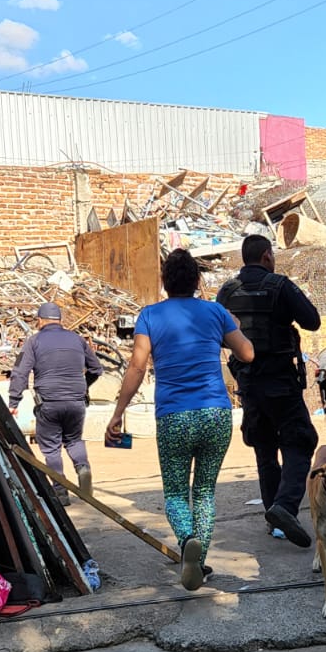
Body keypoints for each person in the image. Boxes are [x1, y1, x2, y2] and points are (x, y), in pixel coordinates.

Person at [105, 248, 253, 591]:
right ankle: (197, 565)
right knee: (204, 493)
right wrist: (231, 323)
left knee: (175, 493)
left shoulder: (150, 315)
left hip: (174, 417)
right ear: (197, 281)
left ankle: (187, 540)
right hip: (215, 414)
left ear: (164, 282)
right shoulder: (215, 312)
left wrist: (118, 412)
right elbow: (246, 352)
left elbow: (137, 366)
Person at [215, 227, 321, 549]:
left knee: (264, 448)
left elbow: (219, 332)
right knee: (300, 441)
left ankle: (274, 519)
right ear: (266, 257)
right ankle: (285, 508)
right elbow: (313, 321)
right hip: (280, 384)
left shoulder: (227, 291)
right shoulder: (280, 286)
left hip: (247, 384)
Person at [8, 301, 103, 502]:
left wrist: (13, 401)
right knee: (74, 440)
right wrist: (84, 385)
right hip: (76, 402)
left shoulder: (32, 342)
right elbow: (97, 368)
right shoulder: (78, 340)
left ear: (40, 321)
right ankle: (82, 468)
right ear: (59, 320)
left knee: (51, 447)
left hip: (49, 403)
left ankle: (60, 491)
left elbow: (19, 373)